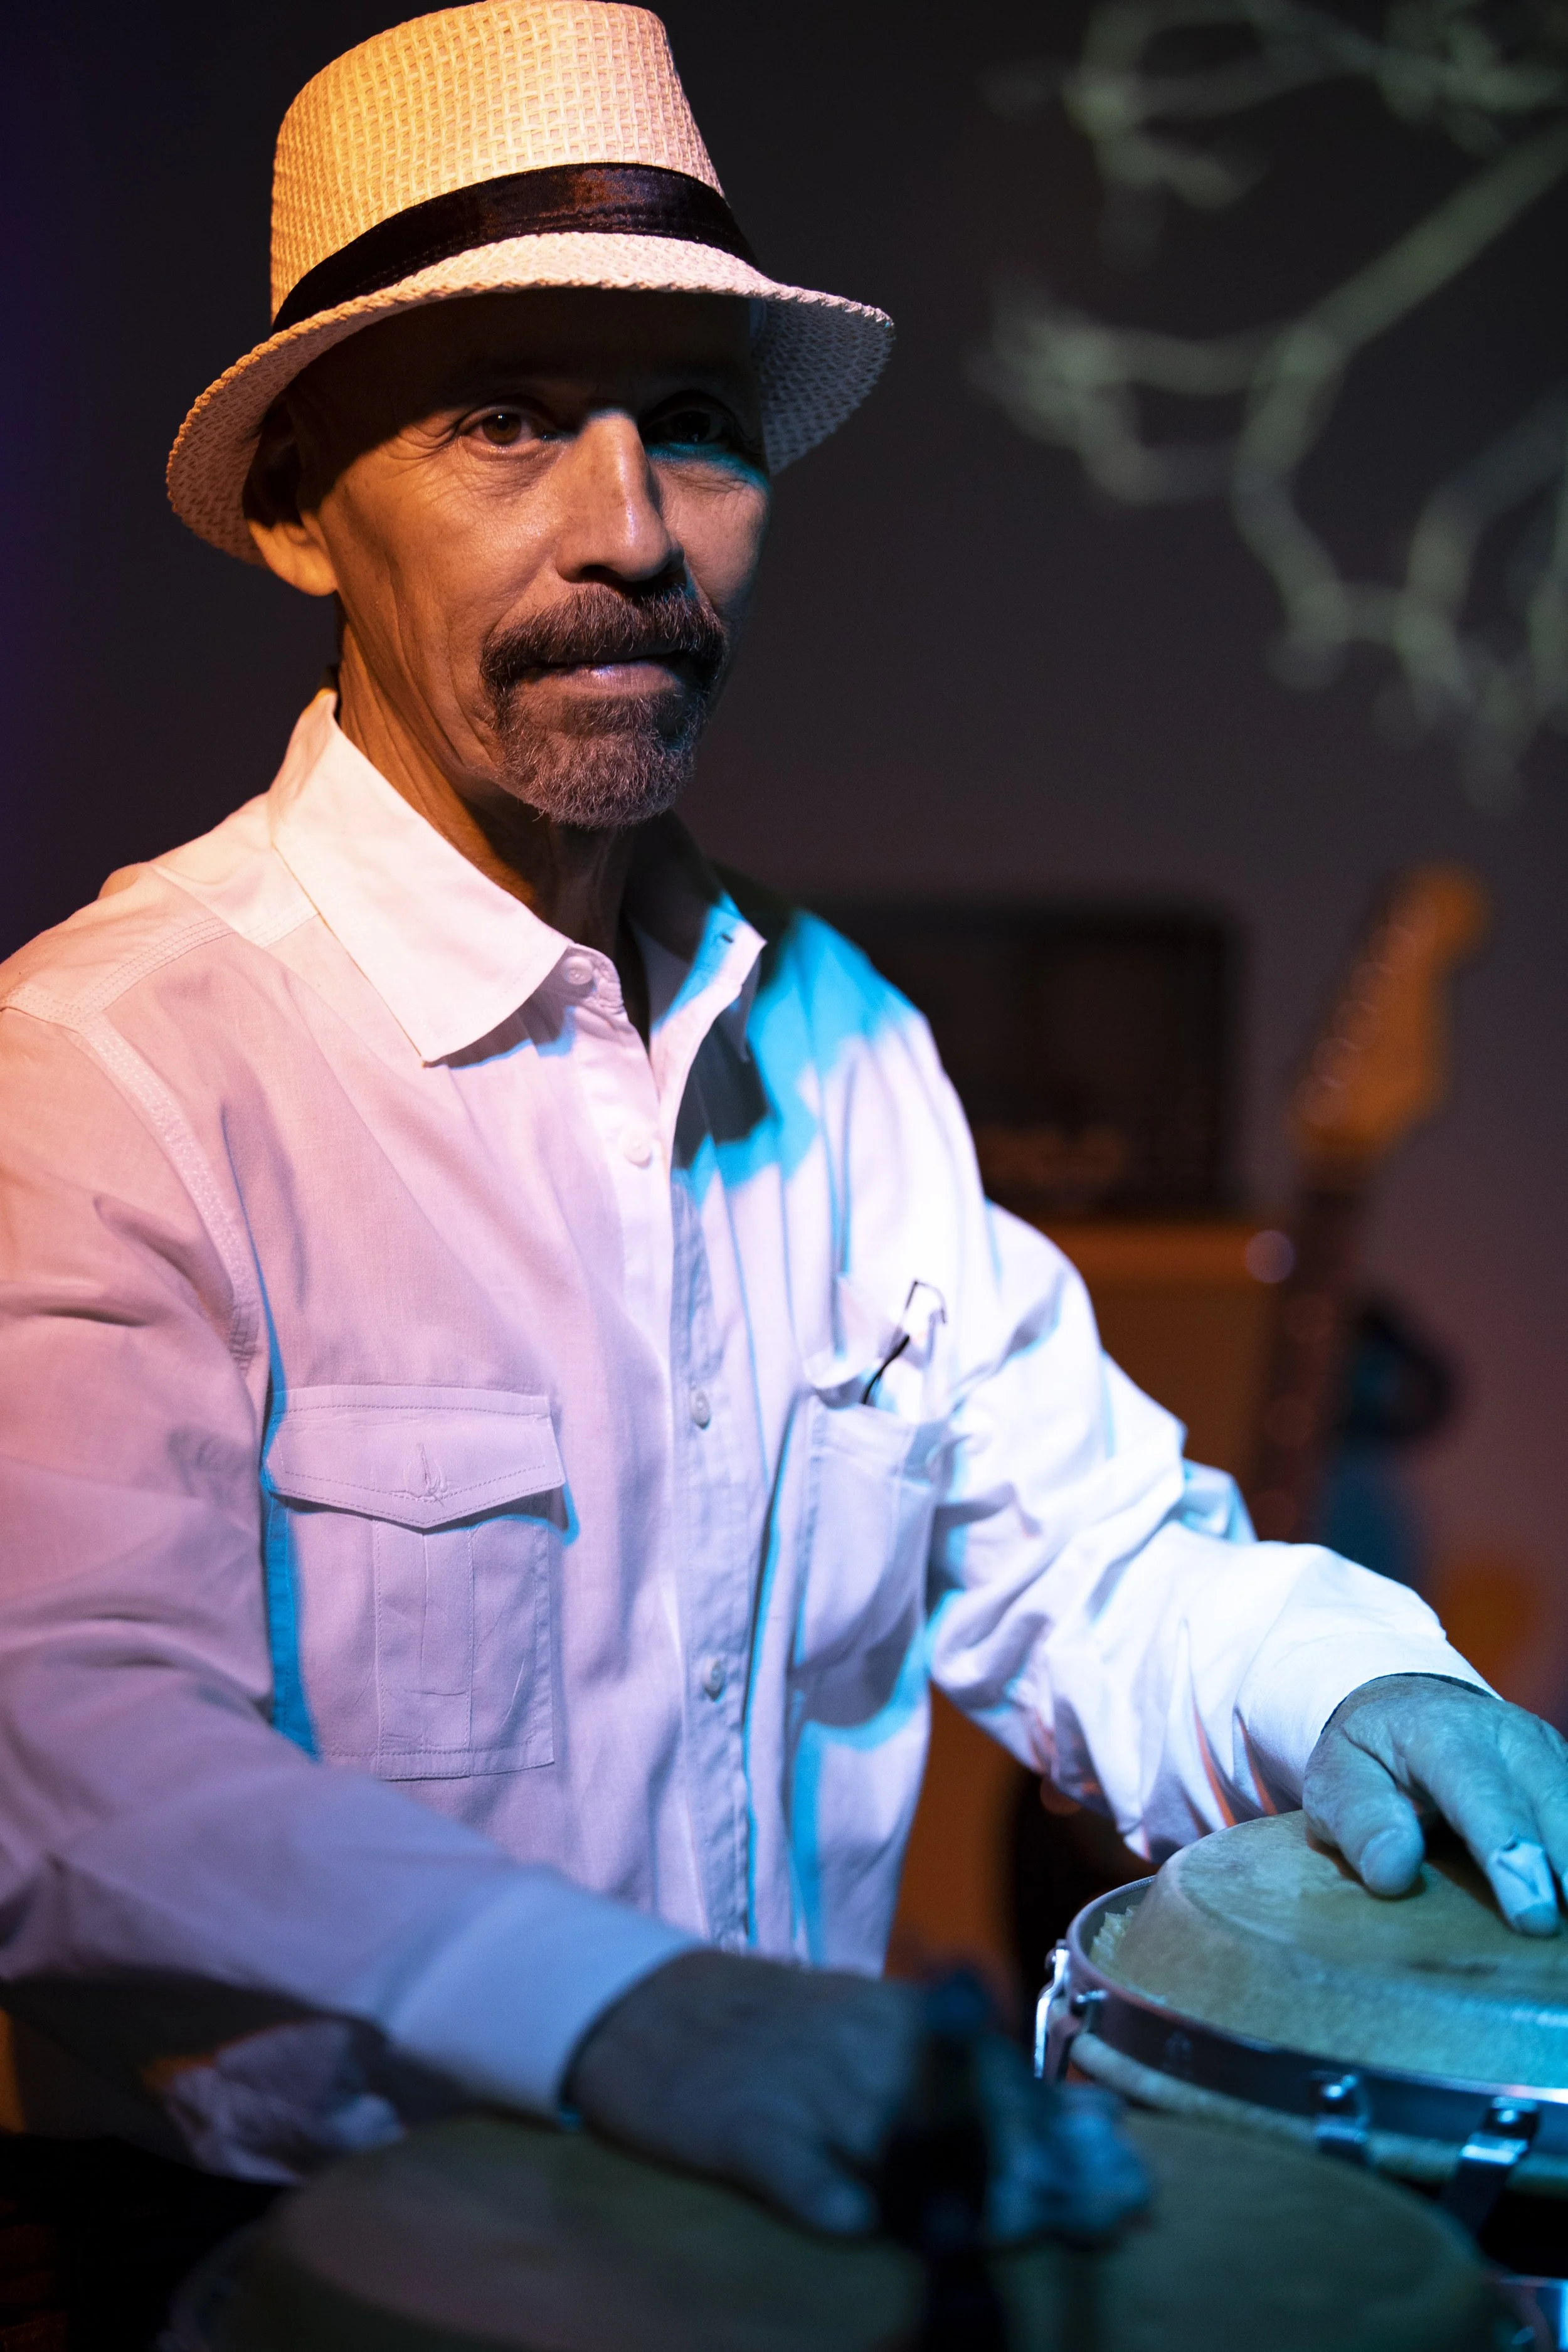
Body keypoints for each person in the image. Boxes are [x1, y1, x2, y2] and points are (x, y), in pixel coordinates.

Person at [2, 0, 1565, 2249]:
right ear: (298, 514)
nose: (629, 530)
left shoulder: (843, 1054)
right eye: (506, 423)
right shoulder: (110, 1070)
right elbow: (62, 1753)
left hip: (793, 2269)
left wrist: (1364, 1682)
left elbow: (1089, 1564)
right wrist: (629, 2019)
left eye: (700, 432)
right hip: (274, 2283)